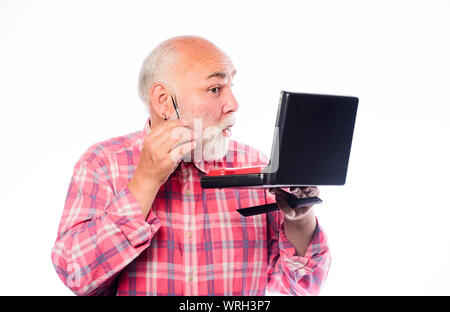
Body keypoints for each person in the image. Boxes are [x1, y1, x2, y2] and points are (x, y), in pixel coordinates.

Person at [51, 35, 331, 296]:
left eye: (230, 87)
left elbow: (301, 286)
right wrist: (146, 181)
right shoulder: (102, 163)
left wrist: (301, 219)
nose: (233, 104)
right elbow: (77, 275)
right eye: (214, 89)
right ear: (164, 101)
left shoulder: (255, 166)